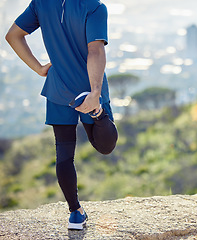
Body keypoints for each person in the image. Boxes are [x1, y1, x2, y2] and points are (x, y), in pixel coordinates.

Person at [5, 0, 118, 230]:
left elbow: (13, 35)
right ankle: (98, 113)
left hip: (58, 88)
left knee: (64, 154)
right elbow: (95, 49)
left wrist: (38, 68)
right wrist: (96, 92)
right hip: (88, 87)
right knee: (104, 146)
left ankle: (75, 214)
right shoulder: (94, 7)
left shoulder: (41, 3)